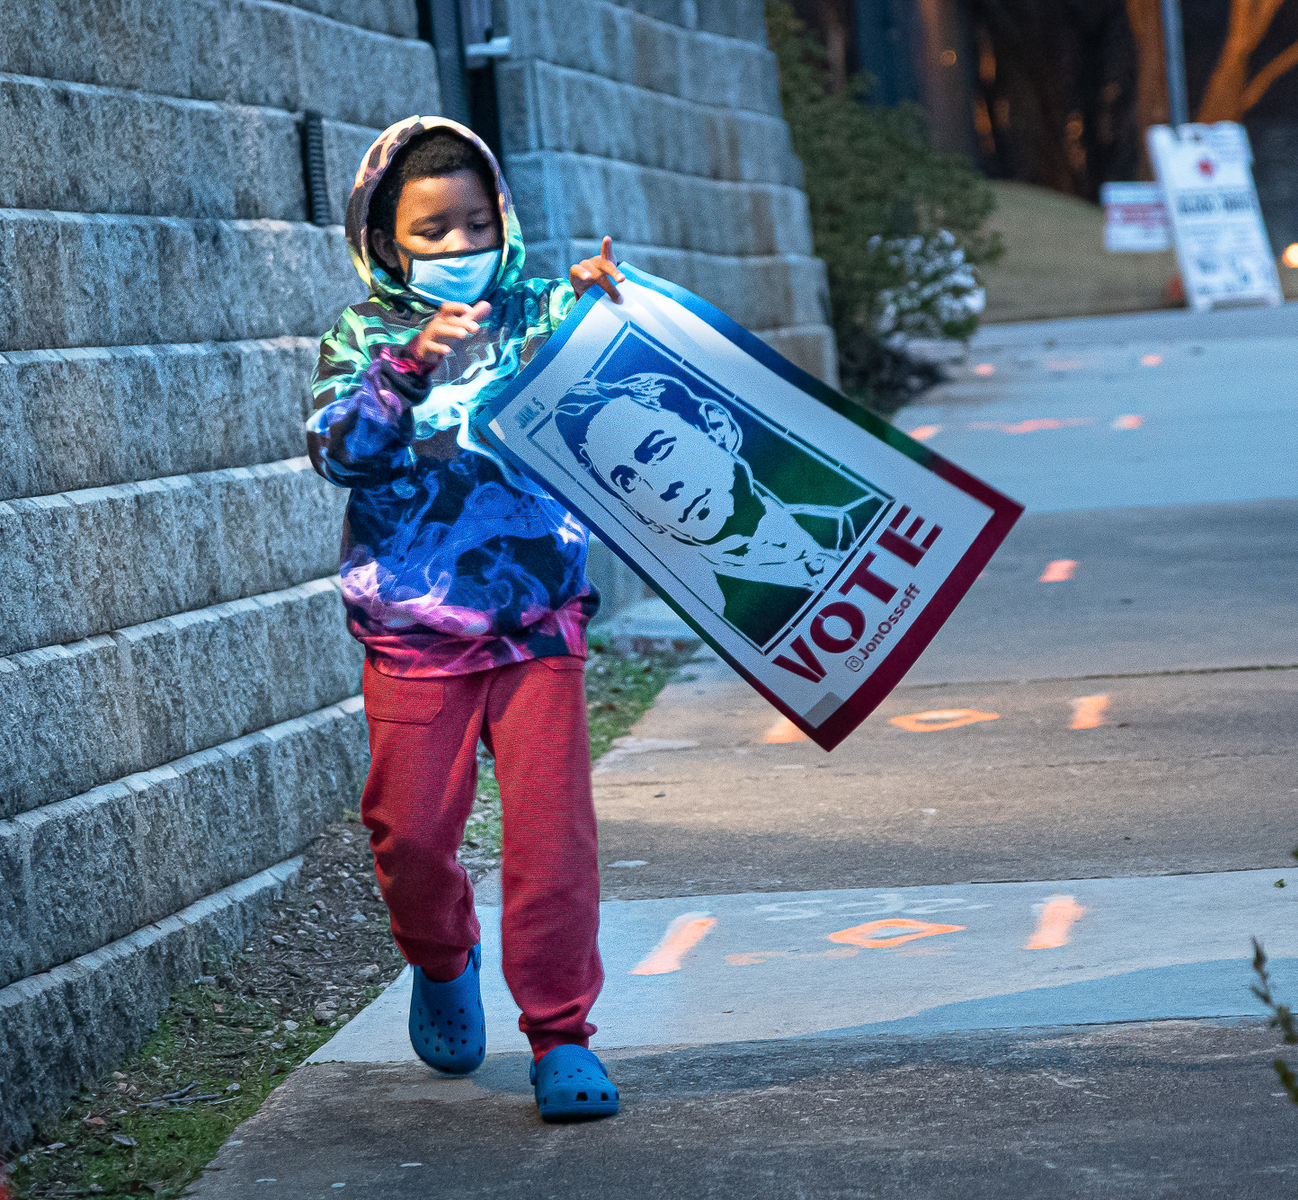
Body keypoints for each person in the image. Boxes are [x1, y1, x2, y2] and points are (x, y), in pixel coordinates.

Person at [306, 116, 626, 1122]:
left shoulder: (539, 312)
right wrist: (408, 367)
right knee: (409, 835)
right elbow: (340, 453)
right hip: (411, 634)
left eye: (474, 225)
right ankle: (441, 960)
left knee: (550, 844)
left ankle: (561, 1034)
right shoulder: (360, 337)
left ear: (503, 223)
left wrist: (608, 307)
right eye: (431, 232)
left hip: (537, 623)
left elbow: (613, 384)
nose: (456, 250)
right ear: (388, 242)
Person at [557, 371, 885, 640]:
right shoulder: (738, 623)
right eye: (627, 481)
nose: (660, 489)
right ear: (641, 516)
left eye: (658, 450)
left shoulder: (868, 517)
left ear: (717, 427)